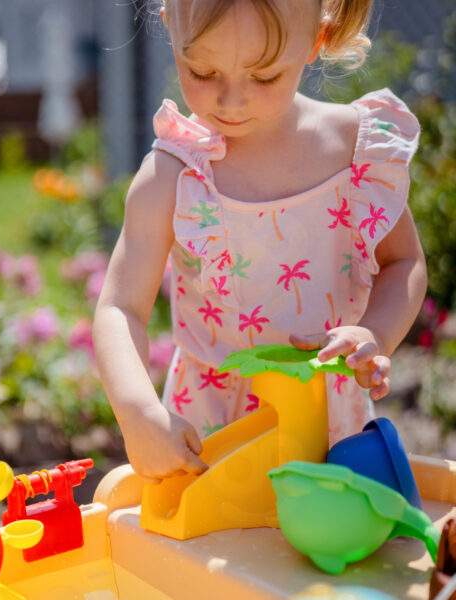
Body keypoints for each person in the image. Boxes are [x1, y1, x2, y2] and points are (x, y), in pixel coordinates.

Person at [93, 0, 427, 483]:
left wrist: (375, 333)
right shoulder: (173, 175)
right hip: (212, 431)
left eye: (265, 76)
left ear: (315, 41)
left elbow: (404, 262)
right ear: (171, 30)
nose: (231, 102)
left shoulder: (355, 152)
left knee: (328, 527)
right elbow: (120, 307)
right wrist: (138, 412)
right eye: (202, 71)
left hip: (326, 421)